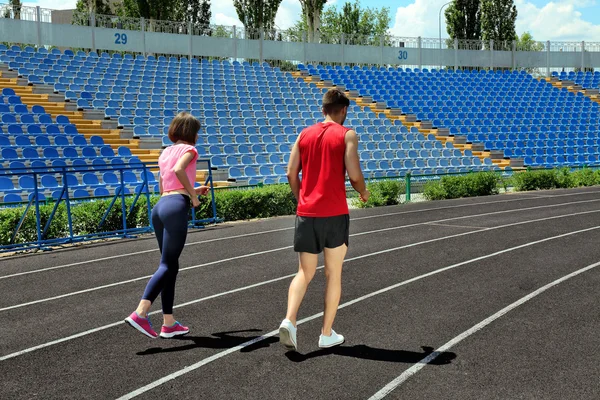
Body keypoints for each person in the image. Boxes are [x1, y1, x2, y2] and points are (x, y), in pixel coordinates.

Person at [279, 89, 369, 351]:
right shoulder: (347, 134)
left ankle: (289, 320)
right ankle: (326, 333)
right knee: (333, 274)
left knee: (304, 273)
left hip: (307, 214)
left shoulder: (304, 134)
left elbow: (290, 173)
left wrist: (301, 199)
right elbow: (354, 175)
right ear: (343, 111)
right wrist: (363, 191)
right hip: (334, 214)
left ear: (323, 110)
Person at [125, 112, 210, 339]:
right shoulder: (190, 151)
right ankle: (140, 313)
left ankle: (169, 323)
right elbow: (178, 171)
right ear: (191, 133)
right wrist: (193, 197)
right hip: (175, 207)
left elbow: (164, 184)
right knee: (167, 265)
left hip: (161, 206)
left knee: (170, 266)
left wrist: (192, 189)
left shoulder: (165, 152)